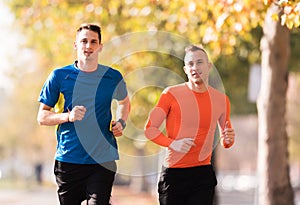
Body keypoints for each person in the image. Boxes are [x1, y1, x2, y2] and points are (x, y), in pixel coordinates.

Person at [37, 23, 130, 205]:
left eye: (93, 42)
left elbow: (125, 102)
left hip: (103, 159)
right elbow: (42, 117)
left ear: (100, 46)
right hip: (69, 159)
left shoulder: (112, 77)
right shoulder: (59, 76)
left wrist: (121, 122)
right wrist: (67, 117)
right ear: (76, 45)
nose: (88, 46)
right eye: (84, 41)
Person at [144, 45, 235, 205]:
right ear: (186, 69)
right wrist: (174, 144)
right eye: (191, 64)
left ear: (209, 66)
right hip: (174, 175)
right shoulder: (170, 94)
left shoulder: (221, 100)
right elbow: (150, 129)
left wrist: (229, 138)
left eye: (199, 62)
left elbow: (226, 141)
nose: (195, 67)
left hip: (202, 175)